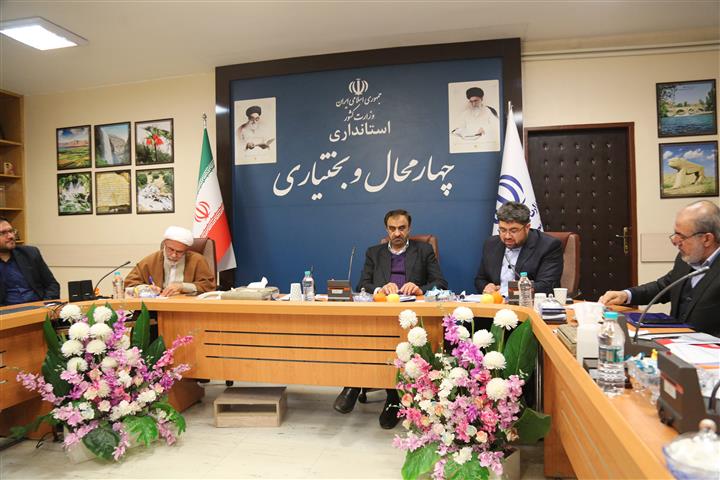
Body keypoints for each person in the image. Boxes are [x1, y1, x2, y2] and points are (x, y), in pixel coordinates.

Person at [335, 209, 448, 429]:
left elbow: (440, 283)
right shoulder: (374, 252)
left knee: (395, 344)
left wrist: (420, 288)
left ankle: (393, 399)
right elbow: (362, 284)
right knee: (364, 336)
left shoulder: (424, 250)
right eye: (392, 228)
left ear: (409, 229)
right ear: (386, 230)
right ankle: (354, 384)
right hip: (381, 315)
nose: (397, 233)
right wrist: (379, 288)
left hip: (411, 317)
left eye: (402, 228)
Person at [599, 200, 720, 336]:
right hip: (675, 341)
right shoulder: (686, 258)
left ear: (707, 239)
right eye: (675, 234)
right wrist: (626, 295)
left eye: (681, 236)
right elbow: (663, 287)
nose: (675, 241)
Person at [475, 201, 563, 296]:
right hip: (496, 301)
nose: (507, 236)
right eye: (502, 230)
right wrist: (487, 286)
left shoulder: (548, 246)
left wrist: (512, 291)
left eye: (513, 231)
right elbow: (480, 279)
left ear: (527, 227)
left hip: (527, 302)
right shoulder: (491, 244)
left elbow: (547, 285)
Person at [124, 226, 215, 296]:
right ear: (165, 244)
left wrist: (183, 287)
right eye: (170, 249)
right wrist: (147, 289)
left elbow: (208, 286)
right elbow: (129, 283)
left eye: (179, 252)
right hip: (157, 308)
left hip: (188, 308)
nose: (174, 255)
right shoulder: (150, 260)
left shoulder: (197, 260)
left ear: (186, 250)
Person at [0, 216, 60, 306]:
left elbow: (52, 285)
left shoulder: (30, 253)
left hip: (38, 307)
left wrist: (46, 305)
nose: (11, 236)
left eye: (11, 231)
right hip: (7, 311)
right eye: (3, 233)